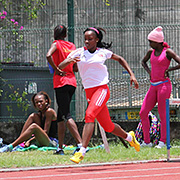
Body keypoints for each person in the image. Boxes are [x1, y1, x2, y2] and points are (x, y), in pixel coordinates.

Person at [59, 27, 140, 164]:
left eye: (90, 39)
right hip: (89, 92)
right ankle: (130, 138)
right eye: (85, 39)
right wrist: (69, 61)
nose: (87, 41)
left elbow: (120, 59)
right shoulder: (78, 53)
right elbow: (60, 66)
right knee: (108, 126)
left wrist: (131, 75)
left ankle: (82, 151)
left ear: (97, 40)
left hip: (102, 90)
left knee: (89, 115)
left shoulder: (103, 53)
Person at [139, 26, 180, 148]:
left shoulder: (167, 52)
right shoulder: (150, 52)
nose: (149, 43)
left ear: (157, 42)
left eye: (151, 41)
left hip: (164, 86)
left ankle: (163, 142)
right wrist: (149, 72)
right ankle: (147, 141)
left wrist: (170, 69)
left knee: (163, 115)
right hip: (153, 86)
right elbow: (143, 62)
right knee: (143, 112)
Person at [46, 24, 82, 155]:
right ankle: (60, 148)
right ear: (66, 34)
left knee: (66, 115)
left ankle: (81, 145)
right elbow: (76, 67)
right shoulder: (72, 46)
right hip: (71, 82)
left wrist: (56, 69)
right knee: (60, 116)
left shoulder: (56, 44)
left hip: (60, 83)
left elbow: (48, 55)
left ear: (55, 34)